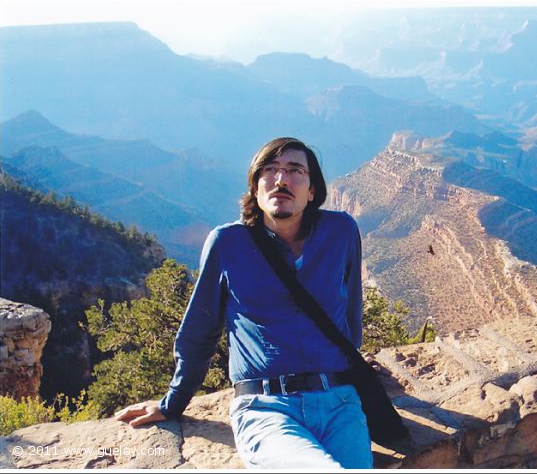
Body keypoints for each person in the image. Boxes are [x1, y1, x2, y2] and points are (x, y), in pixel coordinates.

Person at [114, 137, 373, 469]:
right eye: (270, 170)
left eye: (295, 170)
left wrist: (348, 364)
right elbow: (200, 329)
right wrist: (173, 402)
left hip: (340, 404)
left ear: (312, 191)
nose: (281, 180)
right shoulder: (228, 243)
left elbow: (351, 310)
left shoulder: (341, 231)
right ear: (255, 186)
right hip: (266, 407)